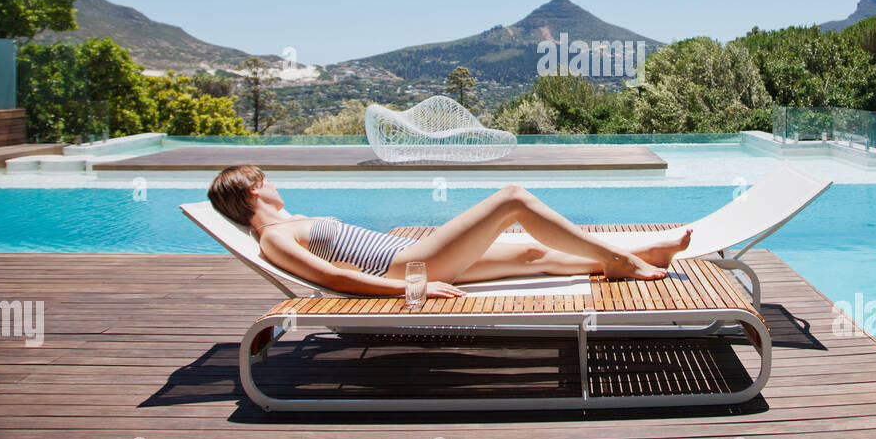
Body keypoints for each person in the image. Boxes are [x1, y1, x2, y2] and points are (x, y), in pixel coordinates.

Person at [207, 164, 690, 298]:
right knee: (512, 199)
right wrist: (411, 287)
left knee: (530, 256)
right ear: (251, 194)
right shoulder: (274, 237)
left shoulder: (287, 222)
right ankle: (625, 259)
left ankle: (640, 251)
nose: (274, 184)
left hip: (412, 251)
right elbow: (332, 279)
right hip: (411, 264)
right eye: (265, 181)